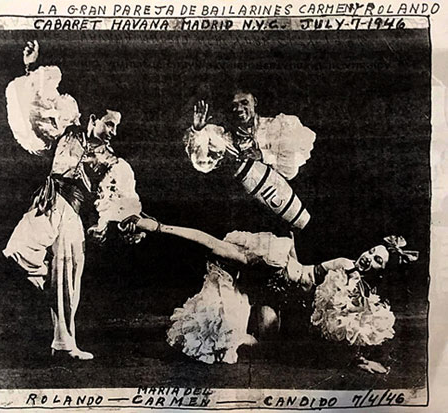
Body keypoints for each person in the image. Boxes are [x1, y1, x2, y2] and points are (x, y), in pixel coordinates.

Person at [2, 41, 142, 360]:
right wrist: (30, 66)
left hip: (73, 214)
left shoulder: (111, 160)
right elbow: (35, 108)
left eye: (117, 127)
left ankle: (64, 343)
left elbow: (116, 196)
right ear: (94, 118)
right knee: (20, 253)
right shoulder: (69, 126)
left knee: (68, 279)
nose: (113, 132)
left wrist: (105, 223)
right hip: (50, 200)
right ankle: (38, 282)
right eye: (109, 124)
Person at [129, 216, 300, 364]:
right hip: (225, 277)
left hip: (252, 279)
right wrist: (159, 227)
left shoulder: (286, 253)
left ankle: (250, 327)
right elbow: (203, 238)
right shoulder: (238, 256)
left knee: (269, 339)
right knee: (220, 337)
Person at [268, 235, 419, 373]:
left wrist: (360, 360)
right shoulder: (345, 265)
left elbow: (354, 329)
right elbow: (309, 276)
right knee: (267, 341)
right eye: (371, 252)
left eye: (377, 260)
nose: (368, 257)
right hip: (287, 291)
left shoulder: (368, 290)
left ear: (382, 272)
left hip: (303, 326)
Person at [183, 92, 316, 180]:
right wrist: (198, 130)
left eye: (244, 102)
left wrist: (263, 155)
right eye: (234, 105)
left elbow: (291, 168)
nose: (239, 109)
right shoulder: (223, 137)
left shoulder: (278, 126)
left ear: (255, 102)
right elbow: (202, 164)